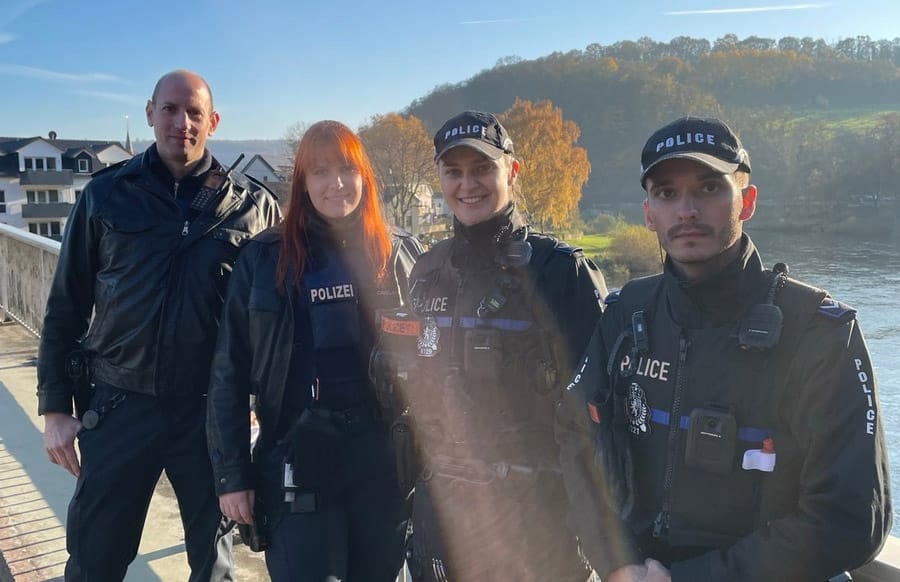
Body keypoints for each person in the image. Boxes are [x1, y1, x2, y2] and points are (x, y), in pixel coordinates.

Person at [557, 116, 891, 582]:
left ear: (747, 201)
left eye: (710, 188)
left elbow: (852, 517)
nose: (687, 210)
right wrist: (615, 561)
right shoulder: (626, 313)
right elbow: (575, 437)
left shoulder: (817, 330)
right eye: (667, 193)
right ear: (649, 213)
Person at [37, 69, 282, 581]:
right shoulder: (106, 195)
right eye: (170, 109)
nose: (181, 123)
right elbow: (65, 306)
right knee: (94, 560)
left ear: (213, 122)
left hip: (209, 414)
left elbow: (275, 323)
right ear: (150, 113)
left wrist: (260, 403)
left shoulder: (253, 207)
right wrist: (55, 406)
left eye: (194, 113)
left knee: (213, 568)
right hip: (119, 403)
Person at [374, 110, 608, 581]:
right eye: (454, 171)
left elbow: (605, 414)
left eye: (482, 168)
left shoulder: (562, 273)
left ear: (512, 171)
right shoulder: (427, 269)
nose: (468, 185)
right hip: (443, 519)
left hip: (539, 527)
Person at [206, 120, 423, 581]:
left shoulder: (401, 255)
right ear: (302, 183)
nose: (336, 184)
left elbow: (436, 366)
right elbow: (228, 373)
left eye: (346, 169)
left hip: (382, 461)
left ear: (365, 176)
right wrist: (232, 476)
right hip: (296, 455)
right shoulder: (264, 259)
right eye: (320, 172)